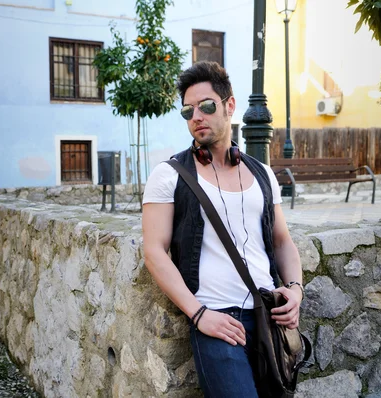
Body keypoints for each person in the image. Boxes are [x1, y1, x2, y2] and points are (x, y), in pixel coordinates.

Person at [142, 61, 304, 397]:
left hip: (269, 316)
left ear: (229, 105)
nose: (196, 116)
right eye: (188, 111)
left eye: (206, 106)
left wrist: (296, 289)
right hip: (216, 322)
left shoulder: (262, 173)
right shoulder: (168, 175)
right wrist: (199, 315)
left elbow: (282, 241)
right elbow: (154, 251)